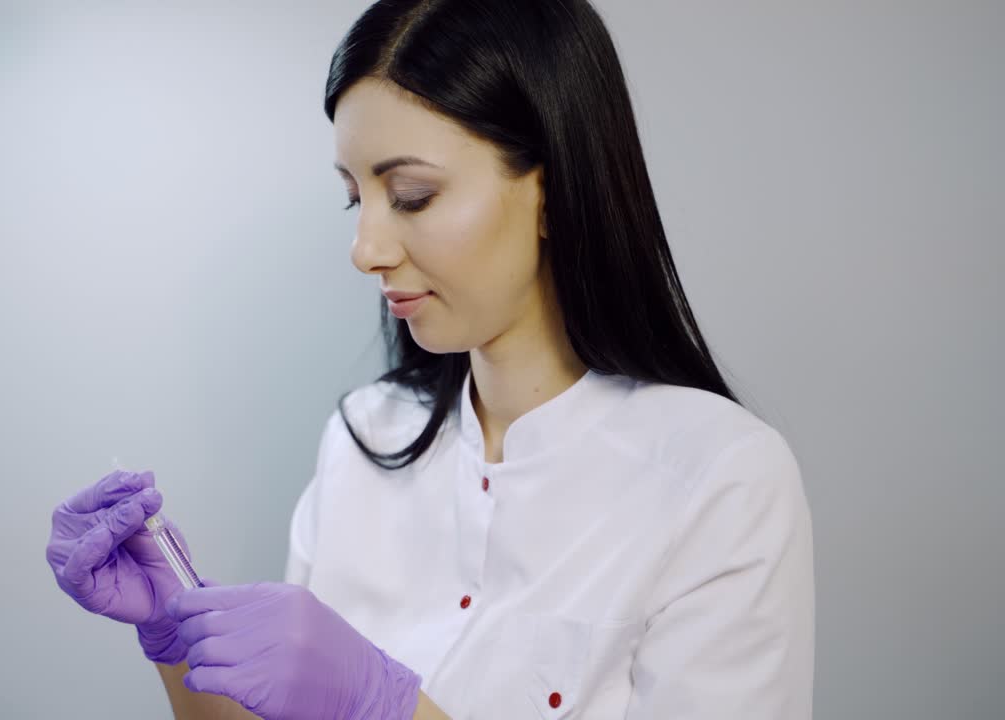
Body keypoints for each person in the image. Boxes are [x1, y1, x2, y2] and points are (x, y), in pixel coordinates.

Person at [45, 0, 815, 717]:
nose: (366, 249)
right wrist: (178, 639)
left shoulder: (722, 481)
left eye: (411, 195)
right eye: (356, 199)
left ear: (550, 188)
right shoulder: (363, 437)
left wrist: (383, 702)